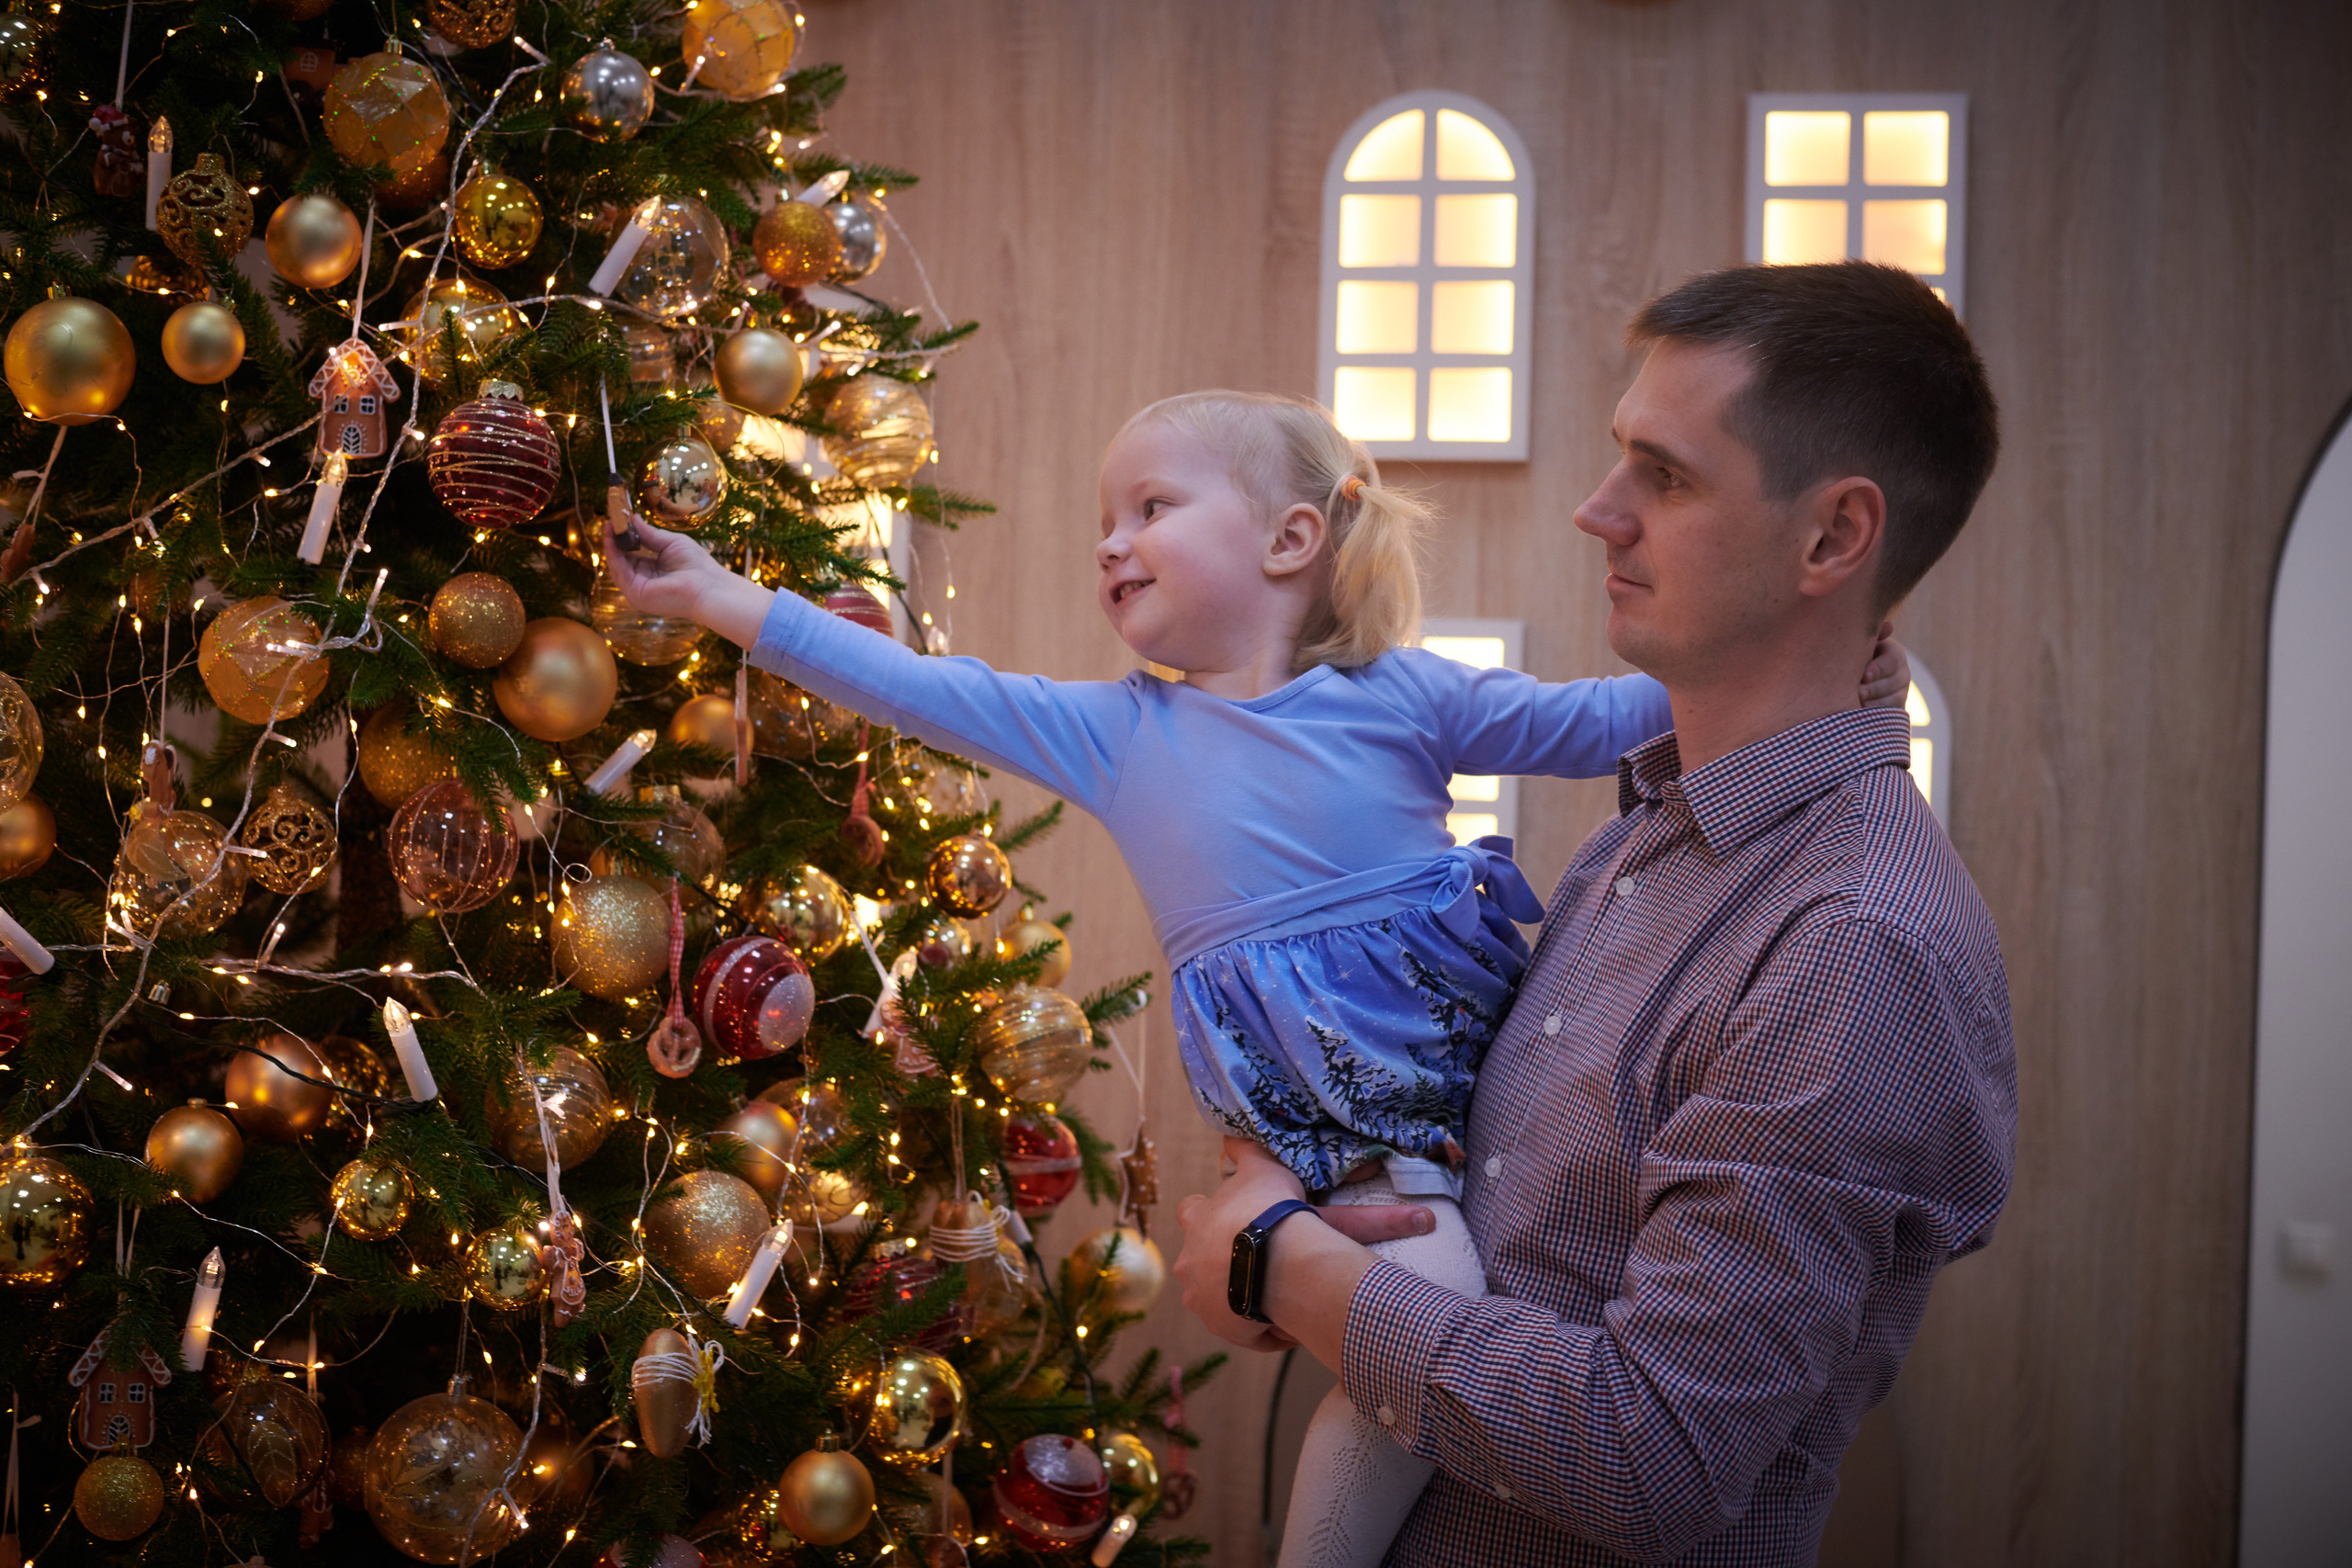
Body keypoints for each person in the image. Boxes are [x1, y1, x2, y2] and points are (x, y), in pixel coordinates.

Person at [603, 388, 1909, 1568]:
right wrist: (718, 597)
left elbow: (1607, 719)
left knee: (1428, 1315)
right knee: (1406, 1315)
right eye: (1104, 522)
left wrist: (1816, 677)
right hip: (1308, 1143)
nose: (1111, 543)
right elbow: (914, 686)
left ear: (1289, 543)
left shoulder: (1407, 697)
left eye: (1151, 508)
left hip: (1447, 1124)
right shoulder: (1118, 733)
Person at [1170, 260, 2018, 1568]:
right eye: (1620, 460)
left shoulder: (1854, 941)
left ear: (1835, 538)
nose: (1596, 511)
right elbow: (1506, 1235)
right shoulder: (1643, 840)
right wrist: (1318, 1214)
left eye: (1665, 477)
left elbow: (1651, 1455)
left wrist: (1280, 1265)